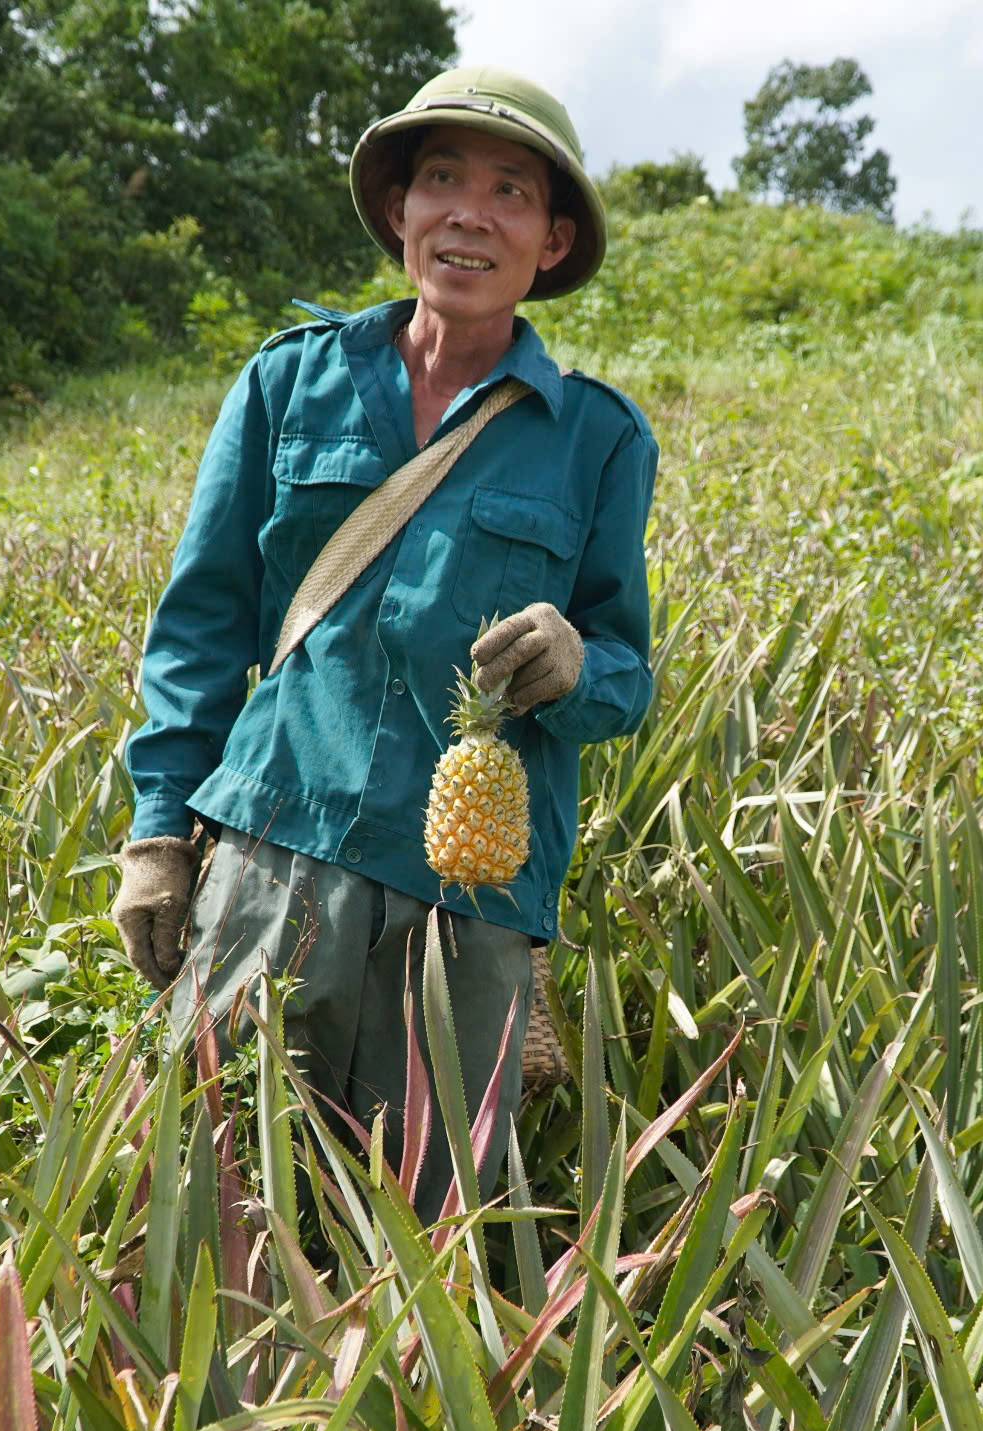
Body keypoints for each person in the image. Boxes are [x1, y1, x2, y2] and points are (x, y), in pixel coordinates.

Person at [108, 66, 658, 1220]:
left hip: (466, 897)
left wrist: (575, 664)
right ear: (400, 212)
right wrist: (158, 831)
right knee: (216, 1202)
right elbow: (201, 625)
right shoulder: (287, 384)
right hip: (271, 854)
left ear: (552, 240)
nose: (470, 211)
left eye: (510, 190)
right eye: (441, 179)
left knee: (431, 1230)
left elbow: (624, 675)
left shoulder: (596, 439)